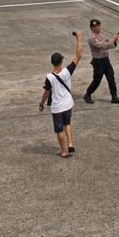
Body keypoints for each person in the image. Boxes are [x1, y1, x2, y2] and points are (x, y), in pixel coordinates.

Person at [38, 30, 83, 158]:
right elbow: (78, 55)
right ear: (61, 61)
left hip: (57, 107)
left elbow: (46, 93)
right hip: (68, 104)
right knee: (67, 123)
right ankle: (70, 143)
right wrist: (79, 39)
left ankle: (63, 151)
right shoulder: (67, 72)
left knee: (59, 129)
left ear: (52, 62)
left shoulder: (50, 77)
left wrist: (41, 104)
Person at [84, 19, 119, 104]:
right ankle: (88, 94)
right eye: (97, 26)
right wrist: (112, 40)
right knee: (97, 80)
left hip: (106, 60)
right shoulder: (92, 38)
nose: (99, 28)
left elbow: (110, 45)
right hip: (98, 61)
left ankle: (114, 96)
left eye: (99, 26)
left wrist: (114, 41)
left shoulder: (101, 36)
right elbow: (103, 46)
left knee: (111, 78)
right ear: (92, 28)